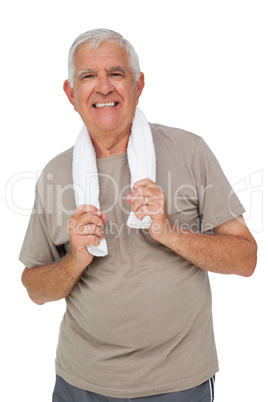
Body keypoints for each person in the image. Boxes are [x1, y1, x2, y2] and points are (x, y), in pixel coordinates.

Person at [20, 29, 257, 402]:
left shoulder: (189, 151)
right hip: (82, 382)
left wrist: (169, 231)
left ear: (138, 84)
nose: (103, 88)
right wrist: (76, 258)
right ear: (70, 94)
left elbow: (246, 259)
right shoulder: (55, 174)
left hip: (179, 383)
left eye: (116, 73)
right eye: (88, 76)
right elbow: (35, 288)